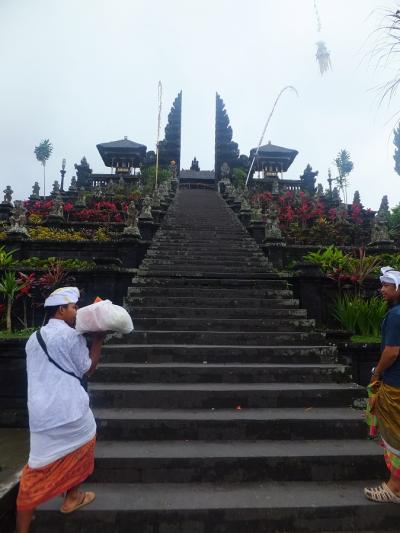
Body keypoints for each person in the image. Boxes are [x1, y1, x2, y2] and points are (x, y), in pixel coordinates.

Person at [16, 287, 106, 532]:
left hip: (41, 413)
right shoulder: (71, 336)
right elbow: (87, 369)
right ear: (61, 310)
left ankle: (21, 529)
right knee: (84, 441)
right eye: (73, 307)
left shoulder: (33, 339)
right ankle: (72, 497)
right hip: (70, 409)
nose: (75, 311)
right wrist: (98, 339)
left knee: (36, 467)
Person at [365, 267, 400, 503]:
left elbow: (391, 351)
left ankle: (394, 487)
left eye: (387, 285)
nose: (382, 289)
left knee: (395, 434)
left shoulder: (396, 315)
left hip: (395, 384)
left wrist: (376, 373)